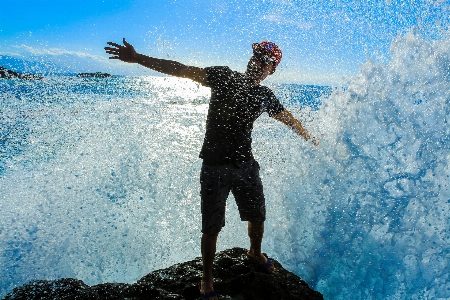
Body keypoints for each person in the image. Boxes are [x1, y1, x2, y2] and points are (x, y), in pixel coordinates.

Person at [105, 38, 318, 300]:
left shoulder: (264, 96)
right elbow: (180, 68)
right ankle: (206, 280)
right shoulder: (223, 76)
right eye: (255, 57)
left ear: (270, 71)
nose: (257, 63)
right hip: (215, 165)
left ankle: (254, 252)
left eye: (264, 62)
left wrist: (312, 139)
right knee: (212, 226)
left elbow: (289, 119)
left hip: (245, 165)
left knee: (258, 215)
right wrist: (138, 58)